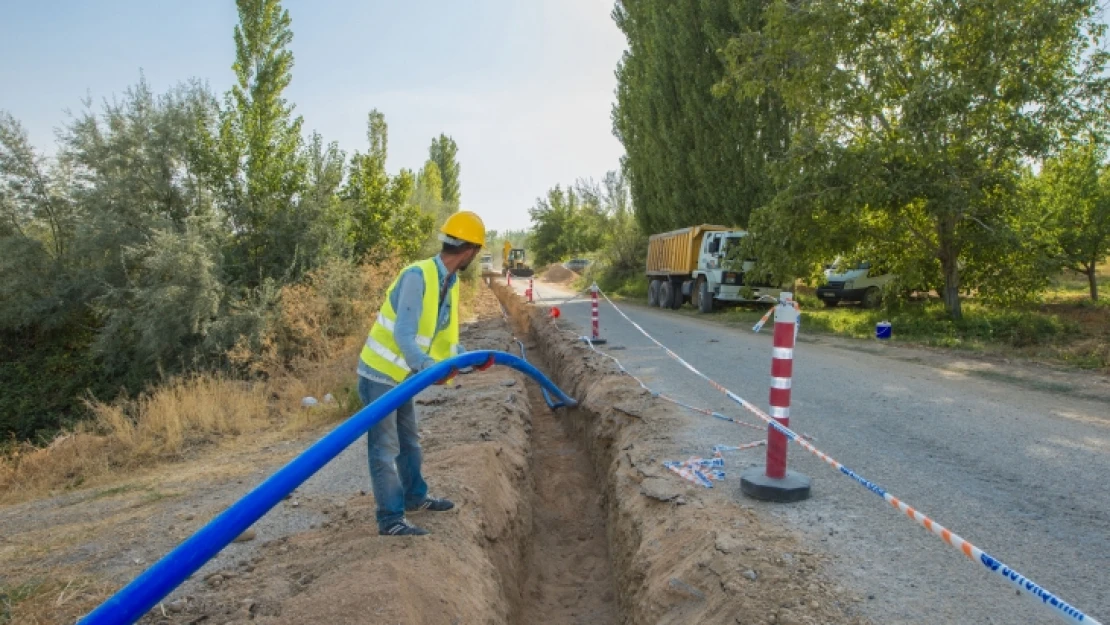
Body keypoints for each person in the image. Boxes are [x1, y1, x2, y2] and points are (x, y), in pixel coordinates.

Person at [357, 211, 492, 536]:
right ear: (471, 250)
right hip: (379, 374)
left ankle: (415, 497)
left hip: (404, 377)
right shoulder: (418, 275)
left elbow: (443, 341)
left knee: (409, 441)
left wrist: (467, 359)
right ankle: (390, 519)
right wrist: (429, 368)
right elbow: (404, 334)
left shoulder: (450, 281)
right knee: (385, 447)